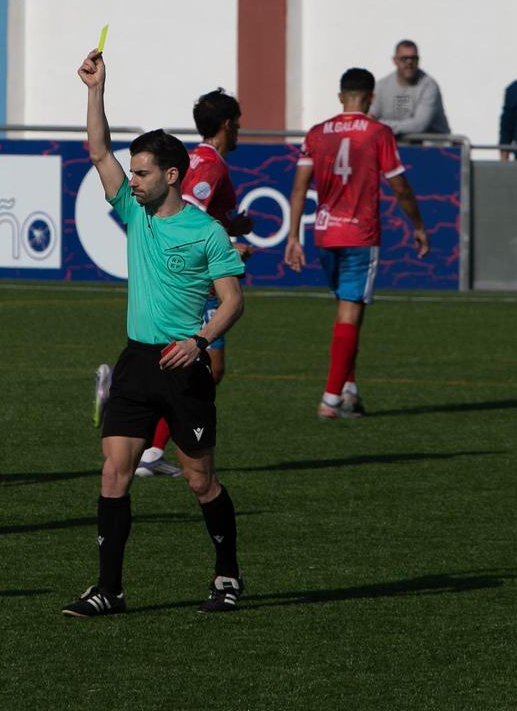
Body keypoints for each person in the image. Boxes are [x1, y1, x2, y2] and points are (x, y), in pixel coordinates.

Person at [63, 50, 247, 617]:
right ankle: (109, 589)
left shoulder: (206, 232)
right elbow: (99, 151)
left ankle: (227, 574)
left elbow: (233, 300)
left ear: (170, 176)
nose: (132, 180)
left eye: (141, 173)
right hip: (136, 364)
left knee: (200, 481)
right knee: (114, 473)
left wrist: (199, 342)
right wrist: (96, 90)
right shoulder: (135, 213)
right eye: (133, 172)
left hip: (184, 368)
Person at [100, 88, 255, 479]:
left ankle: (151, 442)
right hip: (192, 282)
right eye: (237, 123)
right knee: (201, 366)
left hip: (196, 277)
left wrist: (231, 226)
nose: (134, 180)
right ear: (227, 125)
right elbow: (191, 216)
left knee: (202, 367)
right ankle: (151, 444)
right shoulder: (210, 164)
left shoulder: (199, 158)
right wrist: (228, 243)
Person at [284, 68, 429, 419]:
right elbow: (400, 186)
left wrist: (293, 236)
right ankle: (331, 399)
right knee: (351, 309)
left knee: (346, 308)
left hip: (324, 233)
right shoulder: (378, 133)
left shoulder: (317, 132)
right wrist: (418, 225)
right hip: (359, 234)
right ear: (371, 98)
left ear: (340, 97)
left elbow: (300, 187)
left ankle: (348, 389)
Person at [368, 40, 450, 137]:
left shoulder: (429, 87)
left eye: (413, 58)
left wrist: (379, 125)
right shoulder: (381, 86)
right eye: (404, 58)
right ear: (395, 60)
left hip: (434, 144)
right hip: (396, 142)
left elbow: (419, 125)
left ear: (418, 60)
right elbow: (370, 117)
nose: (409, 62)